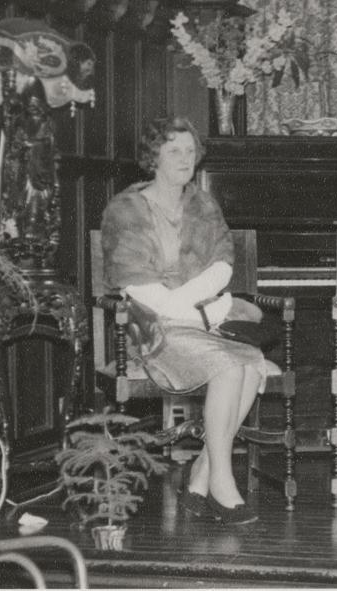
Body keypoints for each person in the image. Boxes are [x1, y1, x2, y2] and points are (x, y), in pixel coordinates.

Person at [101, 116, 267, 525]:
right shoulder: (125, 209)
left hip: (201, 327)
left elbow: (222, 265)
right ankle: (222, 484)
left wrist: (203, 311)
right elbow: (137, 287)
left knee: (250, 363)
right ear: (153, 155)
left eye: (190, 151)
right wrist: (209, 309)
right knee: (230, 368)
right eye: (174, 149)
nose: (184, 158)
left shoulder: (202, 203)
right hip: (153, 329)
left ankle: (202, 471)